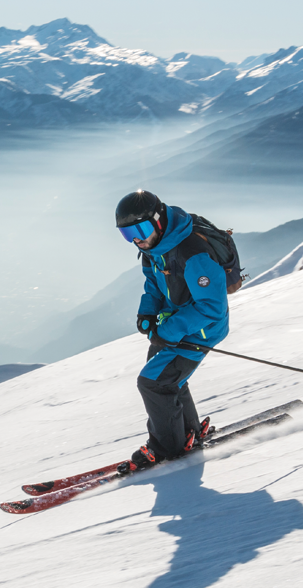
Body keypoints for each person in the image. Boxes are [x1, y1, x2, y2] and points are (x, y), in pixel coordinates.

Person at [114, 189, 230, 473]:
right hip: (176, 325)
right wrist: (148, 313)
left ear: (158, 221)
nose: (137, 239)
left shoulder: (192, 254)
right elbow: (153, 284)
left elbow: (212, 308)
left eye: (140, 229)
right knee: (165, 380)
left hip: (200, 331)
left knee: (153, 383)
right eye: (128, 234)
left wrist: (170, 330)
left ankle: (168, 446)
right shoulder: (153, 249)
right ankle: (187, 433)